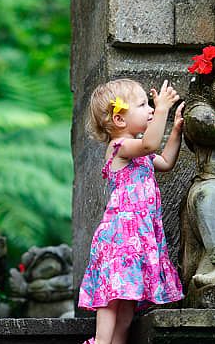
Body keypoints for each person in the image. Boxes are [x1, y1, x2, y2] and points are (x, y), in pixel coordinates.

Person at [78, 78, 185, 344]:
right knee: (111, 297)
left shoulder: (141, 154)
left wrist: (175, 132)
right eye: (143, 105)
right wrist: (162, 110)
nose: (150, 109)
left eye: (150, 105)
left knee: (126, 310)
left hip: (138, 237)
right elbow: (149, 144)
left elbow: (166, 161)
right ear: (119, 120)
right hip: (119, 238)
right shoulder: (121, 148)